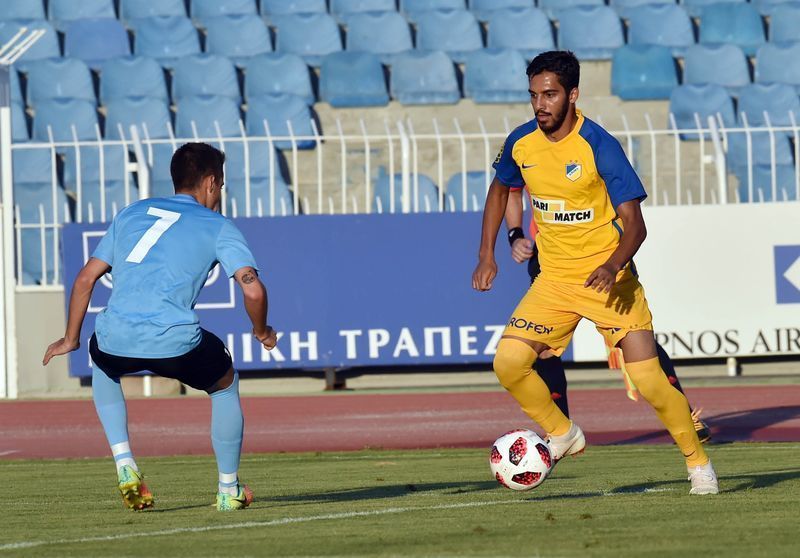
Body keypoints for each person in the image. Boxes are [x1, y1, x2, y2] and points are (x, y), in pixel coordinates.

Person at [472, 51, 718, 494]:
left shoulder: (599, 145)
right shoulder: (521, 142)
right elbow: (499, 188)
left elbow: (636, 226)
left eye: (549, 94)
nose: (540, 105)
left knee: (648, 381)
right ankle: (562, 433)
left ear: (573, 94)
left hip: (611, 281)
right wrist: (486, 253)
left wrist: (611, 265)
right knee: (508, 363)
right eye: (534, 96)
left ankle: (698, 463)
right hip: (554, 281)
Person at [43, 143, 278, 511]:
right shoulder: (218, 226)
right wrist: (262, 331)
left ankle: (125, 464)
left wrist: (71, 338)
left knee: (102, 361)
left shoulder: (131, 213)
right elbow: (252, 287)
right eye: (222, 185)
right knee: (224, 383)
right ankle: (228, 489)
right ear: (212, 182)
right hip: (175, 342)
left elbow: (86, 279)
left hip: (115, 337)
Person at [504, 186, 711, 443]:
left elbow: (623, 200)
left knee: (634, 339)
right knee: (542, 347)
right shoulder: (524, 146)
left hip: (601, 253)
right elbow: (510, 190)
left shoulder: (593, 147)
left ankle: (685, 416)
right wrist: (515, 235)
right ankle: (559, 434)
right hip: (551, 257)